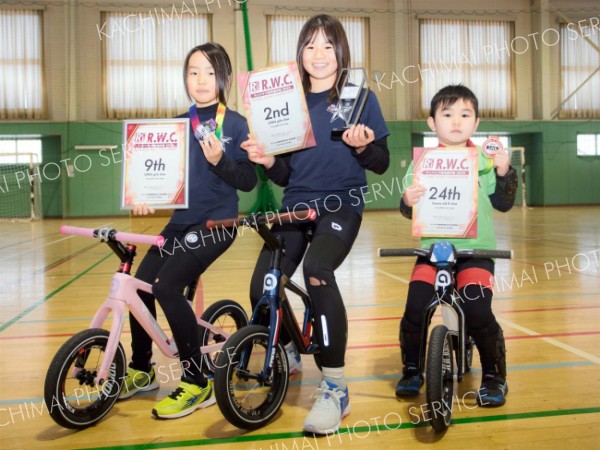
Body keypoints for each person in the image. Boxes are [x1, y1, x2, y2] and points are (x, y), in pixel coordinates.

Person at [242, 14, 390, 434]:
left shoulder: (360, 97)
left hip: (341, 205)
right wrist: (268, 160)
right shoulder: (287, 102)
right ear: (300, 53)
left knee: (317, 273)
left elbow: (381, 164)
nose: (319, 54)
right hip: (296, 206)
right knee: (263, 284)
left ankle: (335, 386)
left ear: (340, 52)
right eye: (310, 46)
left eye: (328, 45)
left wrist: (362, 149)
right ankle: (287, 348)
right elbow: (285, 174)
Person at [117, 42, 256, 419]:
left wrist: (219, 161)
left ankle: (197, 382)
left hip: (217, 223)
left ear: (224, 77)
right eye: (193, 71)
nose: (201, 79)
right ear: (185, 78)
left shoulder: (238, 123)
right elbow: (158, 177)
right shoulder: (176, 125)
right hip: (179, 222)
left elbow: (247, 180)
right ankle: (142, 369)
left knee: (165, 286)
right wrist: (143, 197)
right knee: (139, 286)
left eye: (210, 72)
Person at [396, 84, 517, 406]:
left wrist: (504, 172)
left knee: (477, 310)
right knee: (415, 309)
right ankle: (411, 369)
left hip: (476, 252)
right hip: (433, 252)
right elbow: (409, 209)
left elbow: (504, 204)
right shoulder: (422, 163)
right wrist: (407, 200)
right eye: (447, 114)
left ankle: (494, 376)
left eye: (465, 114)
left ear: (476, 123)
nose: (456, 121)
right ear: (432, 122)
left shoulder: (486, 162)